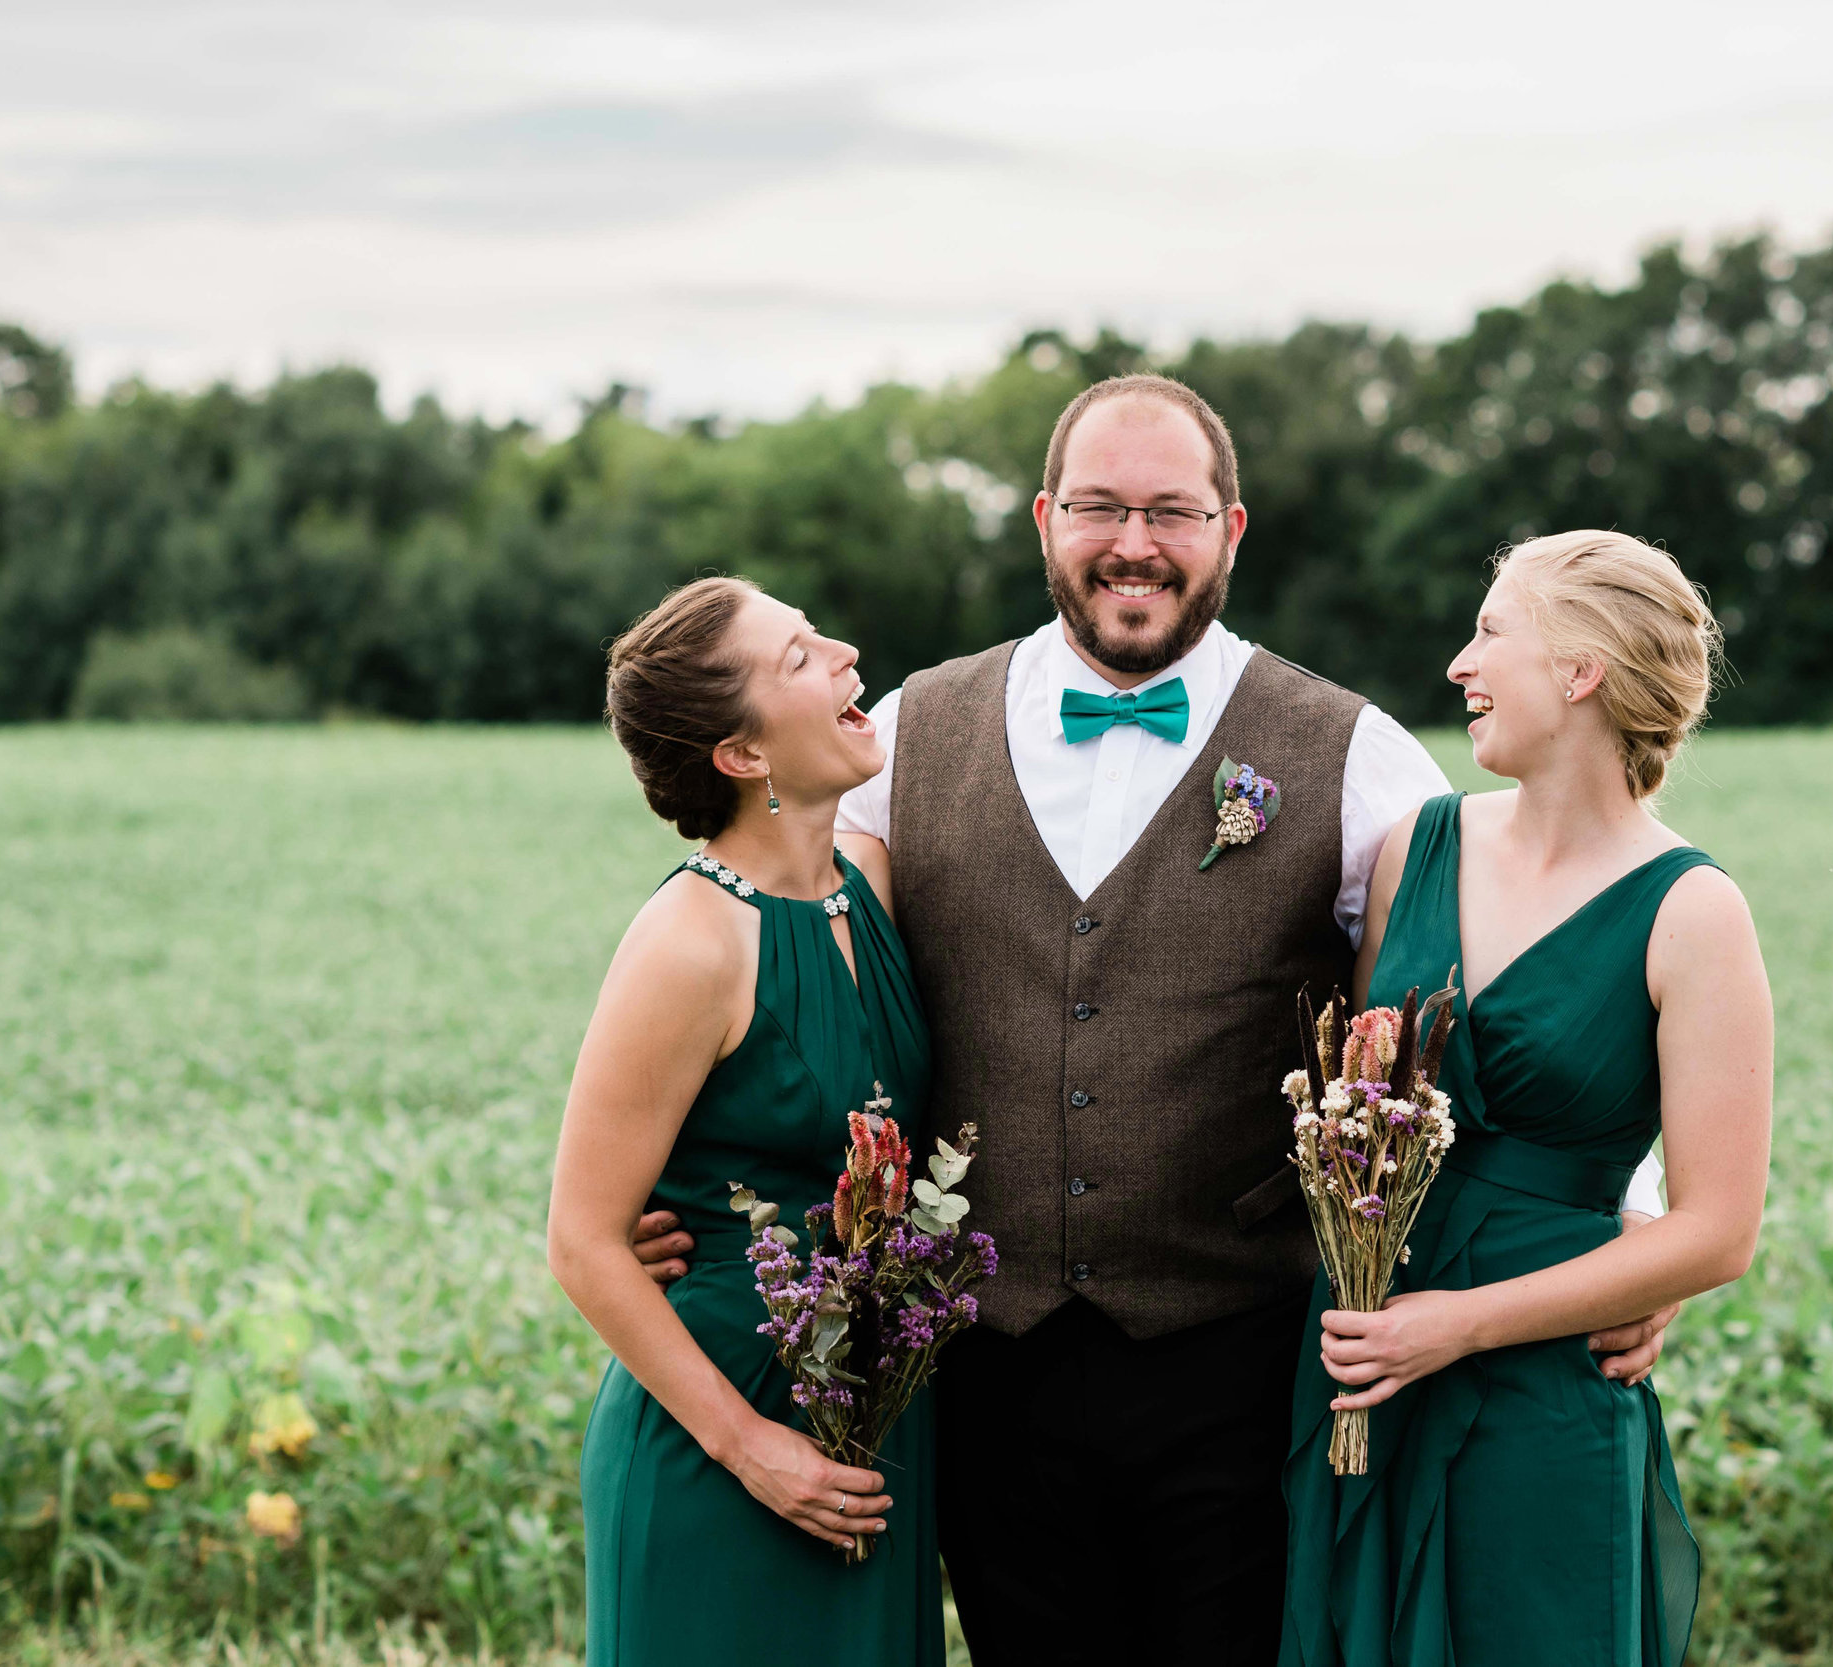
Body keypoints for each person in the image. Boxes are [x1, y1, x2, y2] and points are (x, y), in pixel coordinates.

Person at [624, 375, 1686, 1665]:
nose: (1134, 540)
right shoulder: (901, 734)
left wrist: (1619, 1224)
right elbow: (802, 976)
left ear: (1230, 531)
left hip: (1242, 1359)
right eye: (1100, 506)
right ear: (1042, 521)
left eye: (1172, 510)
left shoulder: (1355, 753)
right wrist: (692, 1187)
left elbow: (1504, 997)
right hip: (978, 1361)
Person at [1279, 531, 1775, 1667]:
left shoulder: (1692, 911)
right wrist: (1391, 1319)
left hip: (1542, 1388)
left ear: (1579, 669)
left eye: (1490, 630)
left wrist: (1455, 1325)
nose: (1460, 661)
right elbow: (1368, 1108)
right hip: (1363, 1360)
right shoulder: (1419, 844)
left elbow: (1719, 1228)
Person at [546, 577, 944, 1666]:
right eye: (803, 655)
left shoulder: (868, 882)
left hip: (874, 1412)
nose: (848, 650)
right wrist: (751, 1447)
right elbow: (583, 1238)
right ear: (742, 753)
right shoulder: (691, 940)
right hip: (719, 1436)